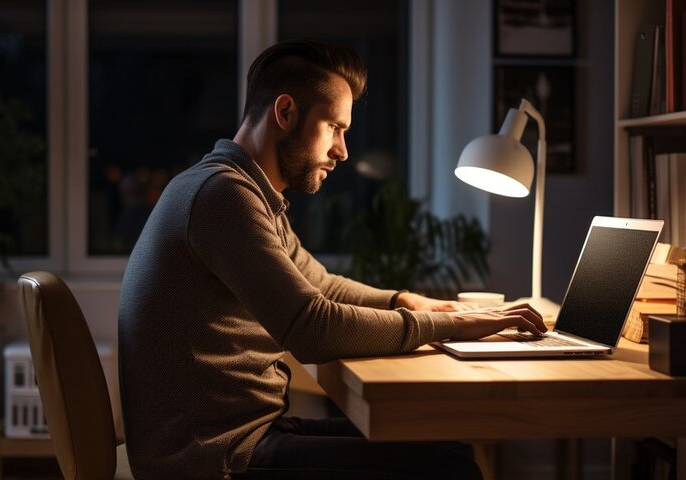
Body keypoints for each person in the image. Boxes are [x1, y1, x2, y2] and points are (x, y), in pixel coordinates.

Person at [118, 37, 546, 480]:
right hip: (213, 459)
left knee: (448, 449)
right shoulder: (222, 196)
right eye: (335, 128)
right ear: (285, 113)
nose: (342, 150)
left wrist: (406, 300)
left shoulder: (248, 191)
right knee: (447, 468)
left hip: (237, 436)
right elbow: (311, 329)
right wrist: (453, 326)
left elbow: (320, 284)